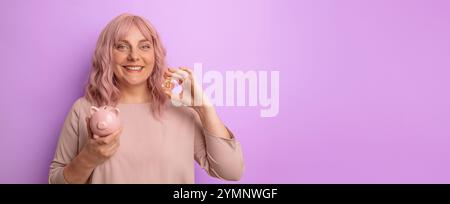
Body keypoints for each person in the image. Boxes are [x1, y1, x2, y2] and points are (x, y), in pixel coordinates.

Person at [48, 13, 244, 184]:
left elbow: (231, 171)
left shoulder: (181, 110)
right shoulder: (84, 110)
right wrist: (89, 157)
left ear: (155, 54)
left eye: (144, 46)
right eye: (122, 46)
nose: (134, 56)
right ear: (107, 55)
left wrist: (205, 108)